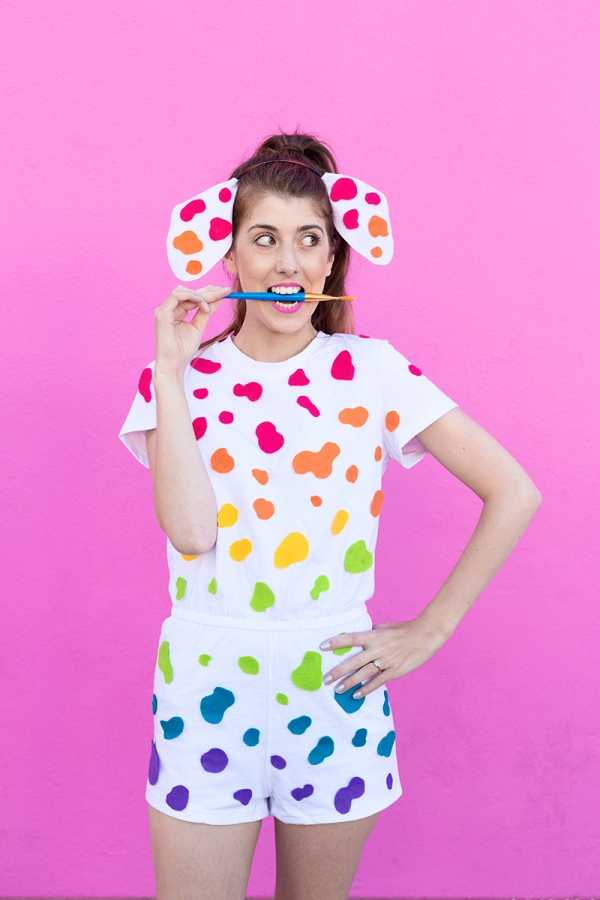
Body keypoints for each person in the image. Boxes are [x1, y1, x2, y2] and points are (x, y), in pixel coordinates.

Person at [119, 132, 541, 900]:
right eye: (265, 239)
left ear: (332, 257)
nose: (288, 263)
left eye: (309, 240)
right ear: (231, 255)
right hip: (206, 683)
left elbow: (515, 491)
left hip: (334, 685)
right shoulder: (178, 379)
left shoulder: (373, 373)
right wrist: (171, 368)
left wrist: (430, 629)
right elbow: (190, 533)